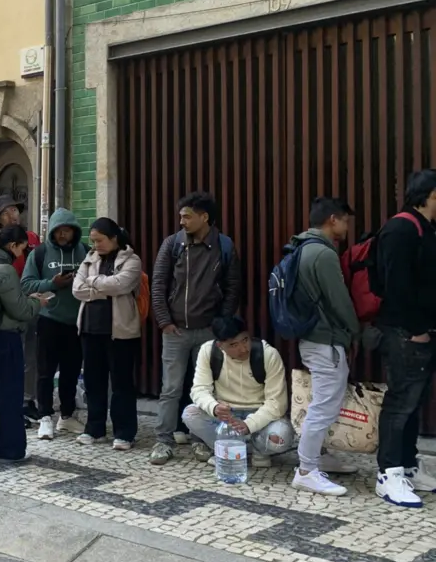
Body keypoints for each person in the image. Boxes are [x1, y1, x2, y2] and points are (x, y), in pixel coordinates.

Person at [149, 191, 242, 466]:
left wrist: (220, 324)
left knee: (206, 389)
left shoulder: (224, 246)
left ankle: (201, 440)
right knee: (171, 388)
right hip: (175, 331)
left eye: (187, 216)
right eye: (180, 216)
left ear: (205, 217)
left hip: (208, 331)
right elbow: (158, 284)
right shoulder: (172, 244)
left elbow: (233, 287)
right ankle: (163, 441)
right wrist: (164, 321)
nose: (182, 222)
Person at [285, 197, 361, 496]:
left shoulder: (302, 248)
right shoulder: (323, 254)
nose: (346, 227)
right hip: (325, 340)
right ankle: (306, 470)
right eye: (345, 221)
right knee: (323, 406)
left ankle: (319, 457)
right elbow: (339, 301)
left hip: (313, 338)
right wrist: (356, 330)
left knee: (323, 402)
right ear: (333, 219)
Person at [375, 169, 436, 508]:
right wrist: (416, 329)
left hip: (421, 332)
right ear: (428, 195)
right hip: (405, 334)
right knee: (399, 404)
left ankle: (408, 467)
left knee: (414, 404)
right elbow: (395, 284)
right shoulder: (402, 228)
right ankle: (388, 473)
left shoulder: (425, 228)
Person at [0, 224, 45, 461]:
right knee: (10, 396)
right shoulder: (5, 270)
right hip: (5, 339)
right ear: (13, 246)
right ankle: (10, 451)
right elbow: (21, 310)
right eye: (23, 248)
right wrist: (37, 302)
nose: (24, 253)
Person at [185, 316, 293, 470]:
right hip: (227, 414)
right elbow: (199, 389)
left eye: (245, 340)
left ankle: (258, 450)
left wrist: (249, 425)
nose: (243, 349)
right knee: (190, 414)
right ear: (220, 345)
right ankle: (228, 449)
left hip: (260, 414)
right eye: (233, 345)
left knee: (281, 436)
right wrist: (214, 407)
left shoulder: (268, 354)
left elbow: (277, 403)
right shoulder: (208, 351)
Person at [72, 218, 143, 450]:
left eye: (100, 240)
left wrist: (94, 283)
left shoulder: (131, 260)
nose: (96, 245)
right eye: (93, 241)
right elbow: (77, 289)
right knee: (94, 382)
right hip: (90, 330)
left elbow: (121, 285)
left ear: (114, 238)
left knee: (122, 383)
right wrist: (103, 289)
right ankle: (95, 428)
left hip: (120, 332)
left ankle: (125, 432)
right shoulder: (89, 259)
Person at [22, 207, 88, 438]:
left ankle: (67, 416)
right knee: (45, 372)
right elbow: (27, 284)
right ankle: (45, 417)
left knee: (71, 371)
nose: (63, 235)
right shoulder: (39, 254)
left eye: (67, 230)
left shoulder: (85, 252)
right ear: (52, 231)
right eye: (59, 231)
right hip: (49, 320)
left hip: (77, 321)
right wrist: (52, 283)